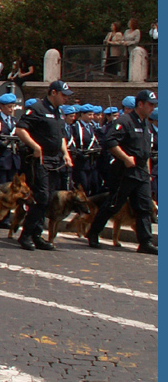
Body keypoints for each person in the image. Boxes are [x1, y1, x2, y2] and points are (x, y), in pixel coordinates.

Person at [85, 90, 158, 255]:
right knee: (113, 205)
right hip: (125, 172)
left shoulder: (145, 123)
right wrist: (125, 158)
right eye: (150, 104)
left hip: (141, 172)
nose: (152, 108)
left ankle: (145, 242)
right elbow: (110, 141)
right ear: (140, 104)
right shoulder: (125, 121)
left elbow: (145, 150)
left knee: (144, 207)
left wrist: (147, 171)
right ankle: (94, 232)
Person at [14, 80, 75, 251]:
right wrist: (35, 146)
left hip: (55, 161)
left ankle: (36, 234)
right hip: (39, 160)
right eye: (63, 95)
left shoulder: (58, 113)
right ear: (53, 93)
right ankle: (25, 234)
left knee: (47, 199)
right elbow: (20, 129)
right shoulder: (38, 109)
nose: (66, 99)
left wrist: (66, 154)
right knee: (41, 197)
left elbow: (61, 136)